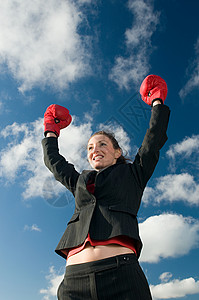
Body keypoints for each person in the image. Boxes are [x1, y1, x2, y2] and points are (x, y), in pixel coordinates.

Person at [42, 74, 170, 300]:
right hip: (74, 281)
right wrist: (51, 131)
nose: (95, 150)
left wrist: (157, 101)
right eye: (90, 147)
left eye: (102, 144)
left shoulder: (134, 174)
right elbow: (54, 162)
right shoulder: (79, 181)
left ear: (117, 152)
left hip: (122, 276)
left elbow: (153, 140)